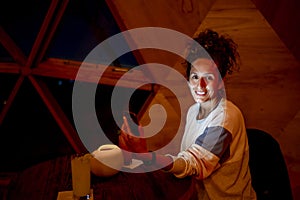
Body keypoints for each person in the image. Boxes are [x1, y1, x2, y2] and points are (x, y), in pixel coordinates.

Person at [119, 29, 256, 199]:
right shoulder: (193, 111)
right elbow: (185, 158)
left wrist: (146, 156)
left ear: (221, 82)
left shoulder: (227, 117)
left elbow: (193, 164)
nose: (201, 86)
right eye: (195, 77)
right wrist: (136, 154)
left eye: (209, 78)